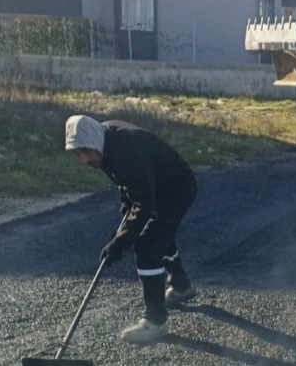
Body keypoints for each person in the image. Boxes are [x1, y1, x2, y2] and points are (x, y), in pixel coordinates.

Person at [64, 115, 198, 343]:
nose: (82, 160)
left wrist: (120, 241)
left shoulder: (127, 151)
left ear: (94, 143)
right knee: (158, 236)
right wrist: (126, 210)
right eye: (78, 154)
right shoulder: (105, 144)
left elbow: (144, 202)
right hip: (157, 185)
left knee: (147, 245)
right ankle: (182, 285)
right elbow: (126, 184)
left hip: (176, 189)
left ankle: (155, 322)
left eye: (84, 152)